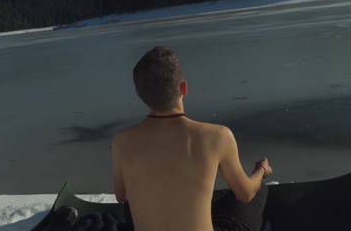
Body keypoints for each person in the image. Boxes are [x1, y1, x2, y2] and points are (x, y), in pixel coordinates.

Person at [111, 47, 273, 231]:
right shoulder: (218, 136)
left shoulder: (122, 140)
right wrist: (261, 171)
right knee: (259, 189)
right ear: (184, 88)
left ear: (138, 93)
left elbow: (121, 195)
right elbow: (245, 194)